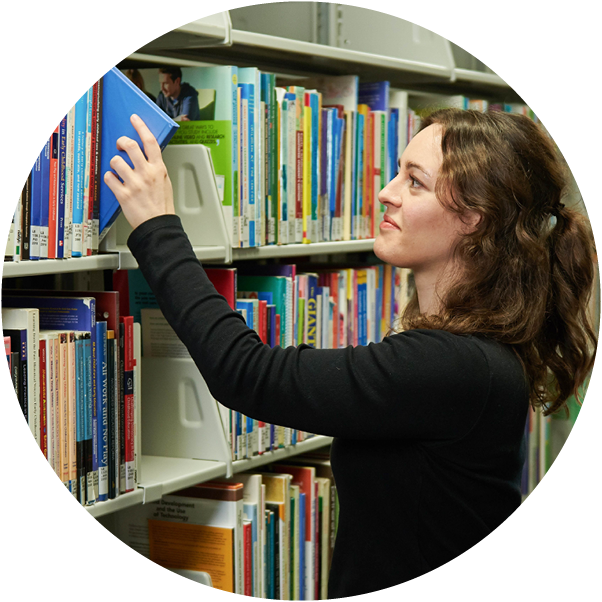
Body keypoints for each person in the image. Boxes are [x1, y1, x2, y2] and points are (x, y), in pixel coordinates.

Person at [104, 110, 597, 598]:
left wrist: (157, 225)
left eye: (415, 182)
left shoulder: (457, 365)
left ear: (473, 218)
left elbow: (245, 373)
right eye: (398, 170)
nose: (387, 191)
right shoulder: (467, 350)